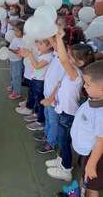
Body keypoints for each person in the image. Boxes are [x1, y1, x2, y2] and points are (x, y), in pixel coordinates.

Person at [46, 29, 95, 181]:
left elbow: (62, 60)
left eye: (70, 57)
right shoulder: (72, 72)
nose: (67, 57)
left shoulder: (76, 75)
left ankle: (66, 169)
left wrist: (60, 38)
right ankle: (62, 160)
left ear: (79, 62)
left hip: (67, 115)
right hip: (63, 111)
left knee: (64, 142)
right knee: (63, 141)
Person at [71, 60, 103, 197]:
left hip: (95, 156)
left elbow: (101, 141)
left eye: (88, 84)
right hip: (87, 153)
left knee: (91, 186)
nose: (84, 86)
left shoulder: (101, 113)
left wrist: (91, 164)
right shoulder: (95, 98)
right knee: (85, 180)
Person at [7, 21, 24, 100]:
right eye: (15, 30)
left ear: (22, 32)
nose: (15, 32)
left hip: (17, 61)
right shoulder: (16, 38)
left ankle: (17, 92)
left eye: (17, 31)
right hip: (13, 60)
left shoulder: (21, 40)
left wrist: (10, 50)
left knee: (16, 76)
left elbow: (19, 52)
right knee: (12, 75)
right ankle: (13, 86)